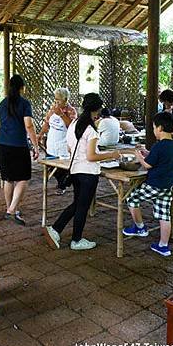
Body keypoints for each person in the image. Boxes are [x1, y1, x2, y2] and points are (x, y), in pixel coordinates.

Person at [42, 93, 121, 251]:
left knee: (78, 204)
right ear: (97, 110)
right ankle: (72, 237)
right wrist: (111, 155)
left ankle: (60, 231)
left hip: (75, 170)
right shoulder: (91, 130)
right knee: (81, 206)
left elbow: (70, 148)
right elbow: (91, 156)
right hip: (88, 173)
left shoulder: (74, 124)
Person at [122, 112, 173, 257]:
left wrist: (139, 156)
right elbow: (157, 158)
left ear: (159, 128)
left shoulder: (159, 146)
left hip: (154, 184)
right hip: (168, 185)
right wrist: (147, 152)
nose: (153, 130)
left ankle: (140, 227)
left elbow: (147, 165)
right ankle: (163, 246)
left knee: (132, 199)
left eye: (154, 127)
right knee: (164, 214)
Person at [0, 75, 39, 226]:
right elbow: (28, 125)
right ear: (22, 88)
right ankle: (11, 210)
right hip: (18, 145)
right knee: (23, 178)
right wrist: (35, 145)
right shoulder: (24, 103)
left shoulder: (2, 103)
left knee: (8, 178)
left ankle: (11, 208)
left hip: (2, 144)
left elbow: (2, 122)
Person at [37, 87, 77, 195]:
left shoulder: (71, 110)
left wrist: (61, 115)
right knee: (51, 164)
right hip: (52, 142)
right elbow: (46, 123)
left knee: (63, 166)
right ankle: (62, 182)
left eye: (58, 99)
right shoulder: (52, 109)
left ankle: (62, 185)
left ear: (65, 99)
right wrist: (40, 135)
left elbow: (72, 126)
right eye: (55, 99)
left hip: (63, 143)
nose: (56, 102)